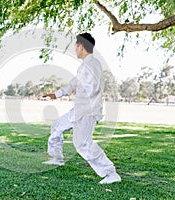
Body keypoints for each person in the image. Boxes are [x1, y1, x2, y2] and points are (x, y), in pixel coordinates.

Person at [42, 33, 121, 184]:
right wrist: (56, 94)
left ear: (81, 46)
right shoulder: (85, 65)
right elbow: (73, 83)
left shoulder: (93, 65)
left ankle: (110, 173)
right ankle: (57, 158)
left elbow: (94, 87)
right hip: (78, 110)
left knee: (82, 144)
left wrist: (82, 89)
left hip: (88, 112)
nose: (75, 49)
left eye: (76, 46)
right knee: (57, 126)